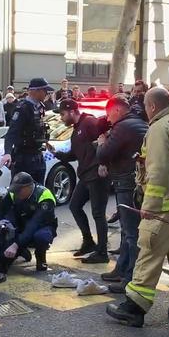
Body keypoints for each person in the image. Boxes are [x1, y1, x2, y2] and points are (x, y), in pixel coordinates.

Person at [107, 87, 169, 327]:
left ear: (152, 107)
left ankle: (134, 307)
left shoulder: (159, 129)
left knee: (149, 250)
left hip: (167, 203)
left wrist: (150, 205)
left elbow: (157, 170)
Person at [96, 94, 149, 293]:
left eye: (109, 114)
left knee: (131, 233)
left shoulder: (123, 127)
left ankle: (129, 278)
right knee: (128, 232)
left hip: (127, 183)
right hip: (133, 181)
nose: (107, 118)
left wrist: (102, 141)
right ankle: (122, 270)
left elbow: (104, 153)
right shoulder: (137, 122)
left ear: (117, 110)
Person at [47, 99, 109, 263]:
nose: (61, 118)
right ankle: (88, 242)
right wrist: (55, 153)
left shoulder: (89, 122)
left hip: (97, 175)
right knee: (74, 206)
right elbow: (74, 155)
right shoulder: (76, 130)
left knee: (98, 213)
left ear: (72, 111)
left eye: (62, 114)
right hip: (86, 175)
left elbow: (104, 141)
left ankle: (102, 252)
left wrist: (103, 164)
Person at [0, 172, 58, 283]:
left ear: (29, 187)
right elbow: (0, 211)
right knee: (3, 259)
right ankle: (21, 250)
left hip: (42, 227)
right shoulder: (14, 193)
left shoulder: (44, 196)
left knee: (41, 237)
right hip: (21, 226)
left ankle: (41, 258)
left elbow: (34, 224)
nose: (16, 193)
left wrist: (15, 245)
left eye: (19, 190)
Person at [0, 77, 51, 184]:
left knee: (38, 191)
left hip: (38, 157)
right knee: (20, 192)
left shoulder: (40, 107)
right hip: (24, 159)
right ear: (36, 91)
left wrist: (45, 142)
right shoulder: (23, 109)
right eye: (44, 90)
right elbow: (11, 133)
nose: (47, 93)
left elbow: (37, 128)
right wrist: (7, 153)